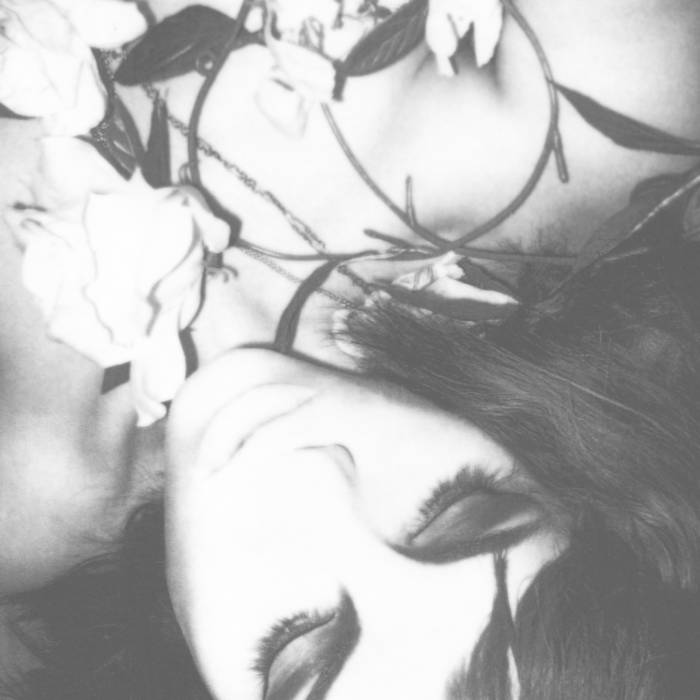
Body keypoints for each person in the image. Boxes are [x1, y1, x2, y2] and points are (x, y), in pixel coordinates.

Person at [1, 0, 700, 696]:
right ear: (580, 484)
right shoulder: (591, 114)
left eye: (295, 662)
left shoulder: (31, 490)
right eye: (453, 513)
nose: (313, 477)